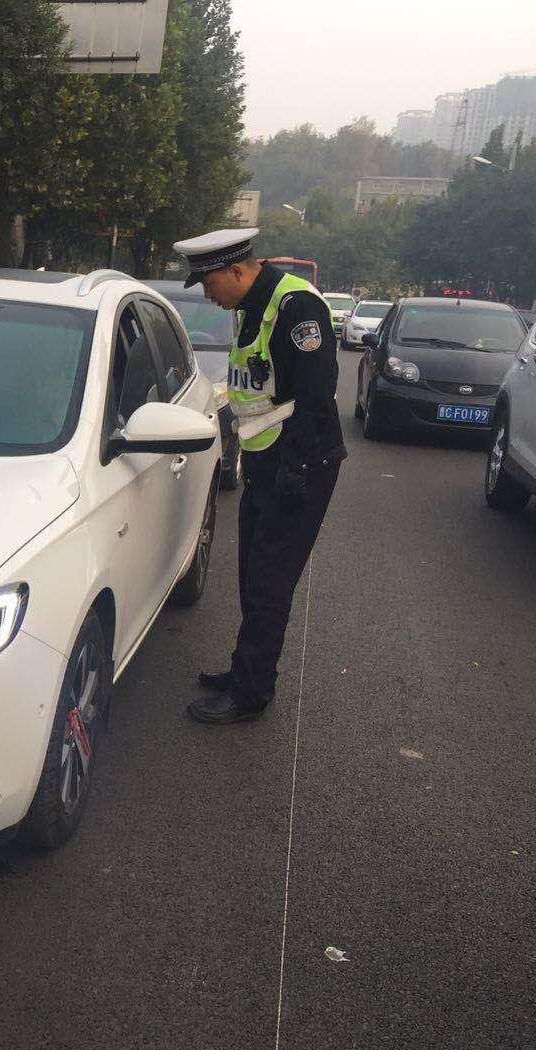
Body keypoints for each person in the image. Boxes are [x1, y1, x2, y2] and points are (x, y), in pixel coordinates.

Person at [172, 228, 346, 725]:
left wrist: (295, 468)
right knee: (252, 574)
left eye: (210, 284)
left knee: (270, 582)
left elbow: (316, 396)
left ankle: (251, 693)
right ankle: (244, 670)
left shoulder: (296, 308)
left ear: (236, 271)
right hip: (266, 461)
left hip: (300, 465)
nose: (209, 296)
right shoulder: (250, 306)